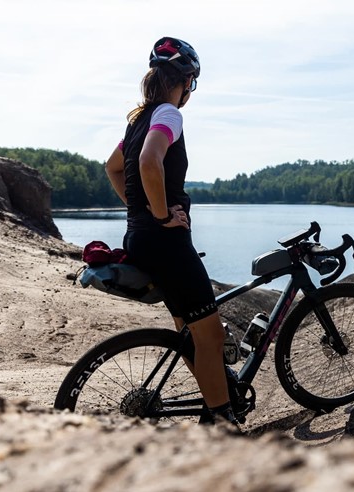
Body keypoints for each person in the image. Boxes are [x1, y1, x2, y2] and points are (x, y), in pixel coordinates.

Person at [104, 37, 237, 425]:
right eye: (191, 84)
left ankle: (216, 407)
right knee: (210, 338)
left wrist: (140, 211)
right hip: (165, 240)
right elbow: (149, 161)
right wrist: (161, 215)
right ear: (186, 82)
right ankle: (222, 424)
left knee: (192, 332)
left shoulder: (136, 121)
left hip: (138, 237)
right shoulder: (167, 113)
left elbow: (113, 167)